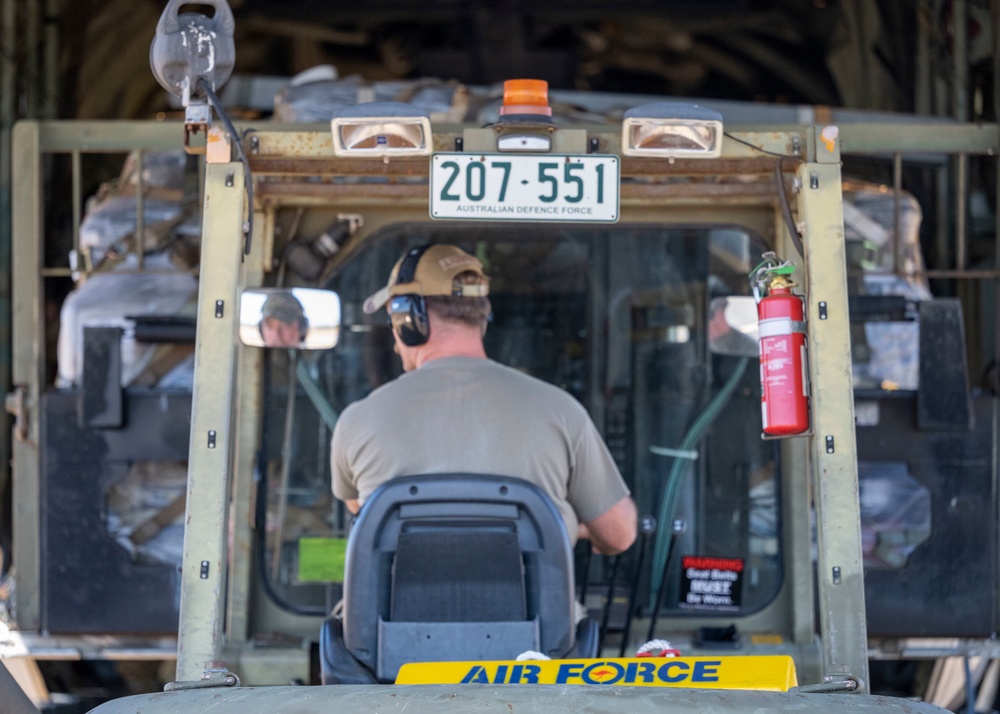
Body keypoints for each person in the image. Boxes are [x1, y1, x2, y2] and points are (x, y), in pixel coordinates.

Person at [330, 243, 637, 555]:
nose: (394, 344)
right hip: (531, 607)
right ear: (483, 316)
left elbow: (365, 516)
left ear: (408, 319)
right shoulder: (560, 411)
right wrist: (562, 523)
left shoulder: (357, 422)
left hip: (401, 606)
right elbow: (619, 534)